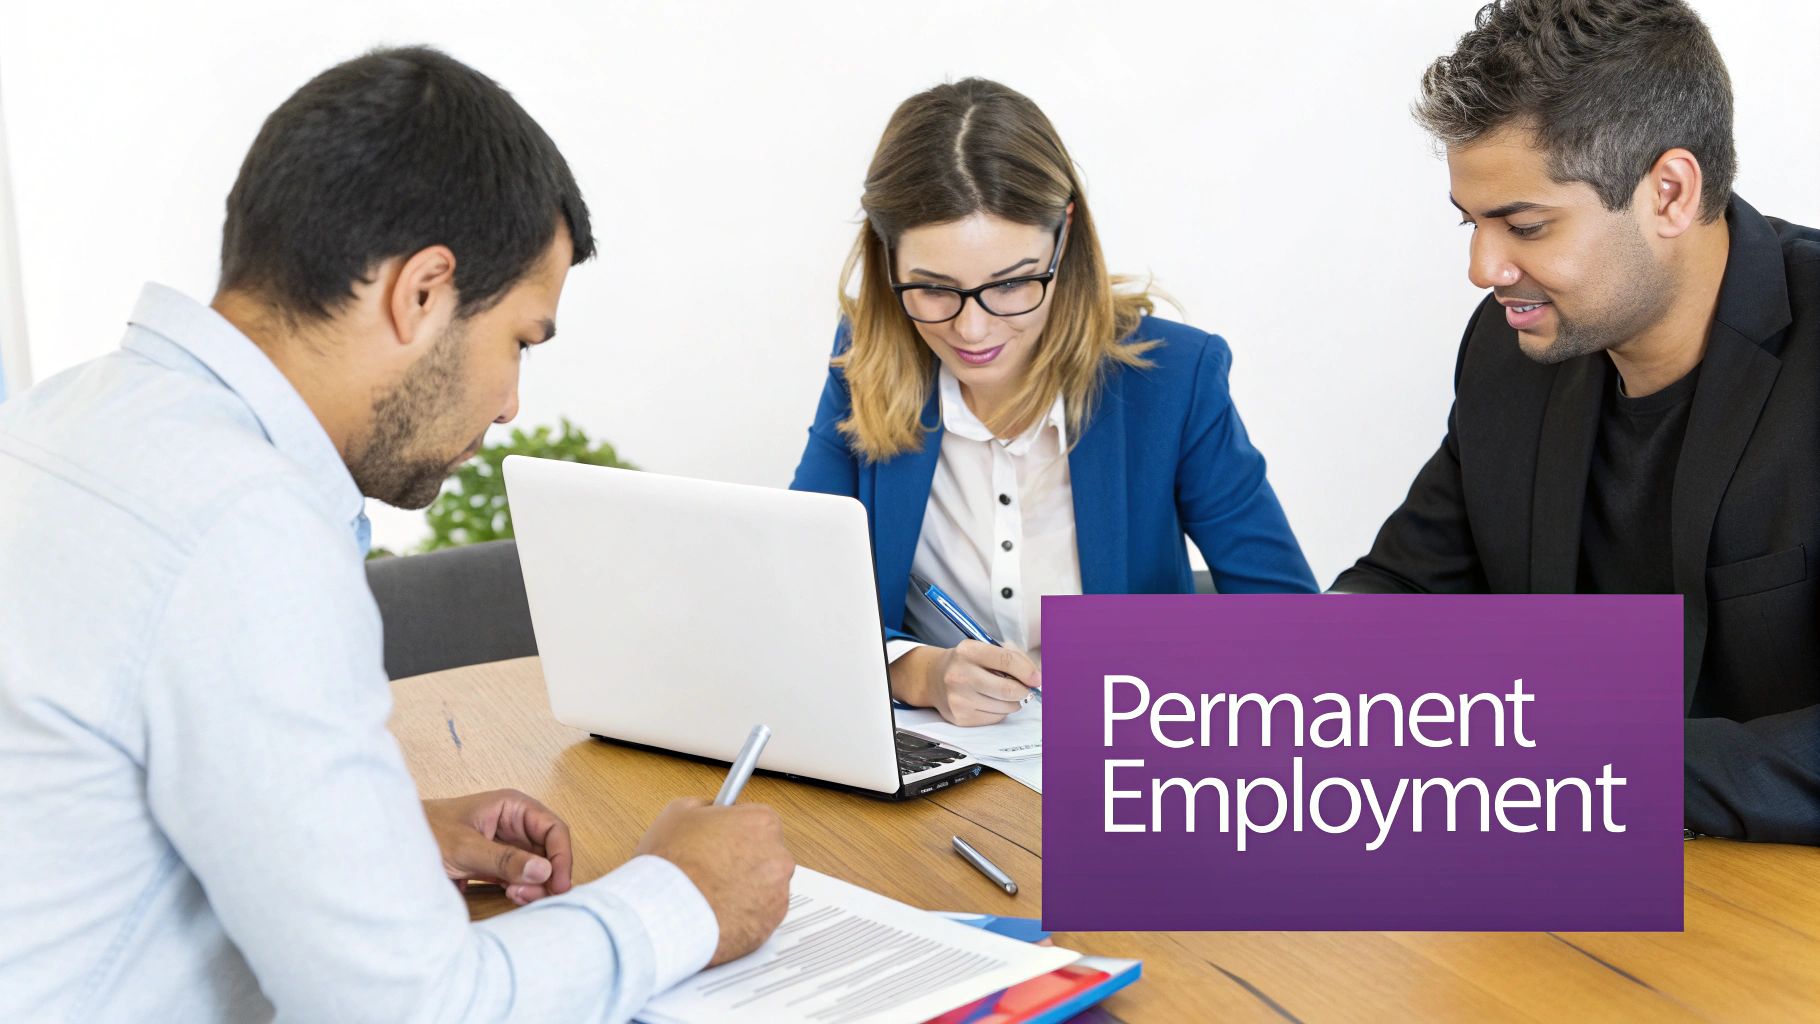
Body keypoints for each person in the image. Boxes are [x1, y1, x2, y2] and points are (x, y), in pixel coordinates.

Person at [0, 47, 792, 1021]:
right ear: (421, 292)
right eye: (518, 341)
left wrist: (377, 838)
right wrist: (687, 898)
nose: (508, 404)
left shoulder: (62, 423)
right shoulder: (243, 525)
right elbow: (410, 1009)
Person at [1332, 0, 1820, 844]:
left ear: (1668, 192)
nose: (1483, 268)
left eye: (1524, 225)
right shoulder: (1511, 350)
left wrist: (1582, 765)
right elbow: (1408, 588)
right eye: (1472, 222)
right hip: (1564, 882)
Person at [791, 79, 1317, 727]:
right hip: (935, 761)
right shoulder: (865, 360)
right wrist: (916, 671)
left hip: (1125, 751)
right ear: (885, 253)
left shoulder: (1175, 379)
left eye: (1011, 283)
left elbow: (1287, 617)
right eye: (932, 290)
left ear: (1063, 235)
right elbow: (797, 598)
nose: (973, 331)